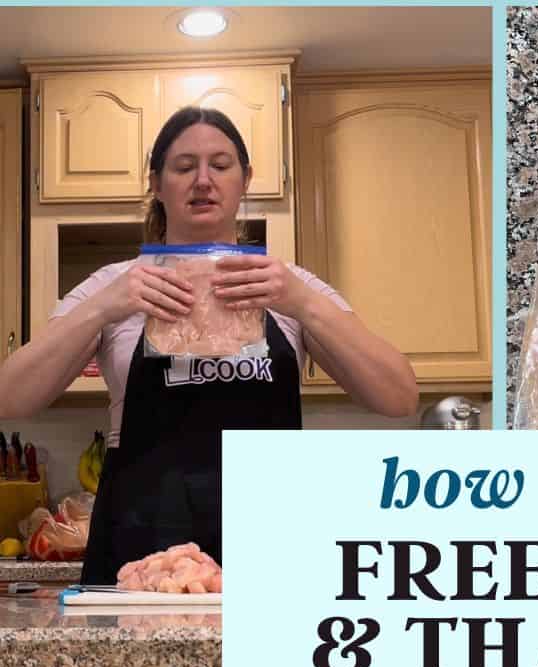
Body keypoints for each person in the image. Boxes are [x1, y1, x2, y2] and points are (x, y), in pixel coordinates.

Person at [0, 107, 418, 581]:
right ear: (156, 183)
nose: (203, 180)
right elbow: (12, 397)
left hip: (273, 533)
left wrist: (302, 303)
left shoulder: (287, 286)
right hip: (144, 538)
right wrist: (102, 308)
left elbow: (399, 397)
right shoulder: (113, 285)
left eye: (220, 165)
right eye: (183, 167)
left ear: (245, 179)